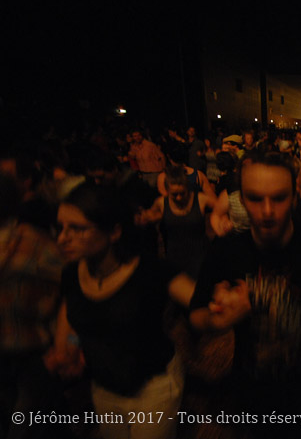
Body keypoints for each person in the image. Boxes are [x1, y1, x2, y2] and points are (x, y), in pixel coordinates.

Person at [189, 151, 301, 439]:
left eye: (278, 198)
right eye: (254, 198)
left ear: (294, 197)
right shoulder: (226, 251)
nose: (266, 211)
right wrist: (217, 321)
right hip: (252, 393)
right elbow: (196, 314)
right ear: (240, 199)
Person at [46, 183, 195, 439]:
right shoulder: (72, 274)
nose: (62, 239)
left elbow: (201, 303)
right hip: (105, 389)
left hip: (153, 387)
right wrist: (71, 346)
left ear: (114, 231)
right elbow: (76, 320)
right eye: (60, 228)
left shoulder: (149, 271)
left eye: (77, 229)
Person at [0, 174, 64, 439]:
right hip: (22, 349)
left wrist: (67, 342)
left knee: (24, 424)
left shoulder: (32, 242)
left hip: (31, 351)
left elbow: (70, 290)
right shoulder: (34, 242)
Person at [138, 165, 216, 279]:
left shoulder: (201, 199)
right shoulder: (161, 203)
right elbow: (148, 218)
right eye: (174, 194)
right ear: (167, 190)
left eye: (182, 193)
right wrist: (143, 218)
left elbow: (220, 208)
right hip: (174, 258)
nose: (179, 198)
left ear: (188, 187)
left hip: (200, 256)